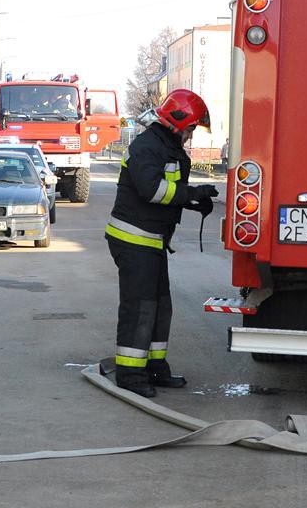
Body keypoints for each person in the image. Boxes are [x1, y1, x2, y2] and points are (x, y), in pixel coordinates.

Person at [105, 89, 217, 397]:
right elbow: (152, 190)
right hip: (133, 238)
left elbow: (167, 191)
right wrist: (190, 194)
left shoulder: (165, 145)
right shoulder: (147, 147)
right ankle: (130, 374)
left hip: (151, 240)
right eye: (191, 128)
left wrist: (194, 201)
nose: (191, 135)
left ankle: (154, 367)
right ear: (177, 122)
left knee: (159, 306)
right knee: (140, 308)